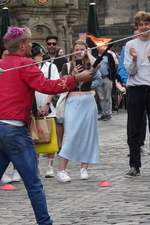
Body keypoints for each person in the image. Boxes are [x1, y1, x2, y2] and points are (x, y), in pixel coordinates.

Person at [0, 26, 93, 225]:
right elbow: (47, 86)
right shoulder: (26, 64)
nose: (32, 46)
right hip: (13, 129)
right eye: (30, 42)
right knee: (33, 183)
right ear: (22, 46)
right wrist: (75, 79)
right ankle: (45, 222)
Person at [124, 11, 150, 178]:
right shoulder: (130, 45)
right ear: (137, 26)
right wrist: (134, 58)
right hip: (136, 89)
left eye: (146, 24)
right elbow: (130, 71)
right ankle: (134, 166)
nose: (143, 27)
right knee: (133, 129)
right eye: (140, 25)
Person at [57, 39, 102, 182]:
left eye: (82, 49)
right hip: (72, 101)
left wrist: (89, 55)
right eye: (77, 49)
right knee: (71, 135)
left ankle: (84, 168)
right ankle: (61, 170)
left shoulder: (90, 64)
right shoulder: (67, 65)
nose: (79, 52)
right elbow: (63, 83)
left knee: (88, 135)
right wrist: (73, 75)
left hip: (88, 101)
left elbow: (98, 66)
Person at [118, 28, 150, 156]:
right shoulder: (127, 49)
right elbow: (121, 68)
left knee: (143, 118)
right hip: (132, 86)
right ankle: (133, 146)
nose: (137, 38)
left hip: (146, 86)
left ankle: (140, 144)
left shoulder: (149, 47)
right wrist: (128, 81)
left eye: (140, 35)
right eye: (135, 36)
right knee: (133, 118)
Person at [31, 45, 60, 178]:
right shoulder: (29, 67)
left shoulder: (50, 67)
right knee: (35, 136)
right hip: (33, 106)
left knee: (49, 135)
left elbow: (53, 86)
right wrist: (34, 107)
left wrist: (47, 104)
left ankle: (50, 165)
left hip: (48, 106)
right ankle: (35, 165)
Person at [45, 35, 68, 152]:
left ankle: (59, 146)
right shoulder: (43, 59)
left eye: (54, 44)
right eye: (49, 44)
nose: (51, 46)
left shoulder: (63, 60)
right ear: (46, 45)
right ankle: (47, 144)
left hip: (59, 93)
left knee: (59, 120)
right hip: (45, 92)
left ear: (57, 45)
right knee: (47, 120)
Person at [95, 45, 116, 121]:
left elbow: (113, 67)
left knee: (107, 96)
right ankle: (103, 113)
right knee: (101, 97)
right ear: (97, 48)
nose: (102, 48)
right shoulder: (95, 56)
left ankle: (108, 113)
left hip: (107, 78)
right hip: (98, 79)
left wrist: (112, 78)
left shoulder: (109, 56)